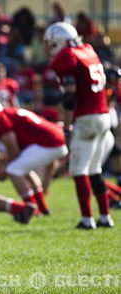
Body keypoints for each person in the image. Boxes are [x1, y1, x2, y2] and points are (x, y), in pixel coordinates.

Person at [44, 22, 115, 229]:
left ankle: (87, 220)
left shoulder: (67, 56)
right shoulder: (88, 50)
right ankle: (105, 217)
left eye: (49, 43)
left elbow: (69, 97)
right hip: (103, 115)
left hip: (87, 118)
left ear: (57, 41)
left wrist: (66, 127)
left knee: (78, 170)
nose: (47, 47)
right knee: (95, 169)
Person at [0, 96, 68, 215]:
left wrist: (4, 170)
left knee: (13, 170)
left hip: (48, 143)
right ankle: (42, 208)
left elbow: (13, 149)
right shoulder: (10, 113)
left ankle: (31, 210)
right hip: (56, 140)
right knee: (23, 169)